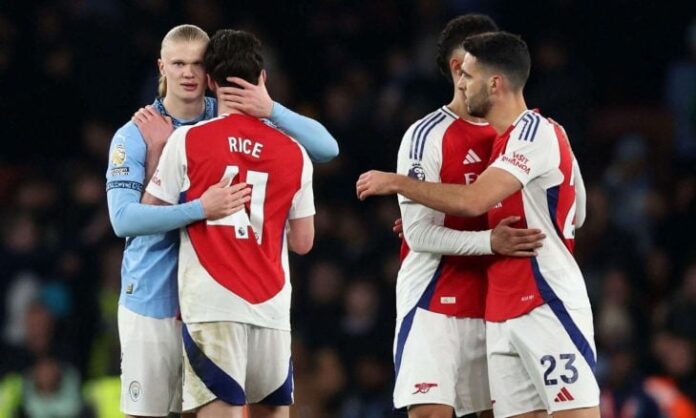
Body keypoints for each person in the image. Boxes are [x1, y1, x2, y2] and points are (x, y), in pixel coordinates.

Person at [356, 32, 598, 418]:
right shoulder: (506, 142)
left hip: (546, 299)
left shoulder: (535, 132)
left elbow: (473, 200)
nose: (461, 83)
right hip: (500, 313)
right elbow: (578, 211)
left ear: (495, 83)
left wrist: (397, 183)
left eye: (468, 76)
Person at [106, 24, 338, 418]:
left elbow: (326, 148)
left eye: (197, 64)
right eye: (178, 64)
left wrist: (271, 108)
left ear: (211, 73)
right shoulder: (137, 133)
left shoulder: (225, 115)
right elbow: (123, 220)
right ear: (162, 67)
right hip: (154, 295)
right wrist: (199, 206)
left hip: (209, 300)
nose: (188, 73)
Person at [391, 15, 545, 418]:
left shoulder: (520, 135)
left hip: (498, 302)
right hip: (434, 301)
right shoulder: (425, 135)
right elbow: (419, 235)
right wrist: (488, 240)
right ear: (460, 67)